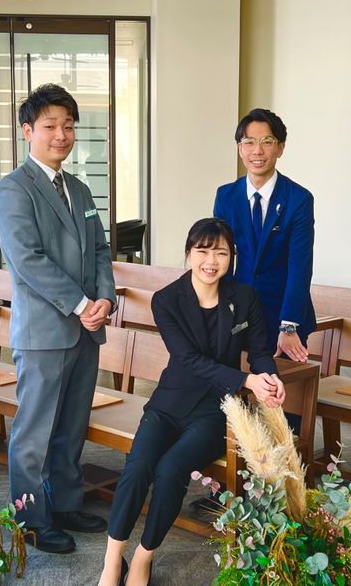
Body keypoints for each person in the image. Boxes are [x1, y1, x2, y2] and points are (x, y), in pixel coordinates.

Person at [97, 218, 286, 586]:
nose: (211, 261)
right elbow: (187, 359)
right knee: (138, 467)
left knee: (171, 470)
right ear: (188, 253)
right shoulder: (166, 299)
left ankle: (143, 556)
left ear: (232, 257)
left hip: (216, 410)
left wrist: (268, 376)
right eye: (203, 251)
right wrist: (246, 379)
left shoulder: (244, 298)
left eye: (221, 253)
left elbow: (260, 352)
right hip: (170, 402)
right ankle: (112, 559)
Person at [0, 83, 116, 554]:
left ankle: (64, 504)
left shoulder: (79, 189)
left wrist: (105, 299)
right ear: (28, 131)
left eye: (68, 126)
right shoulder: (13, 189)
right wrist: (82, 305)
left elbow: (100, 250)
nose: (61, 135)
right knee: (35, 431)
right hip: (45, 333)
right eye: (50, 126)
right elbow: (28, 259)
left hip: (87, 329)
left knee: (72, 425)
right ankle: (30, 519)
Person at [213, 108, 316, 363]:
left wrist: (289, 325)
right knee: (233, 383)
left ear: (280, 148)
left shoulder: (299, 199)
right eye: (249, 142)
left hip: (283, 315)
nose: (257, 151)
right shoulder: (226, 196)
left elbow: (300, 265)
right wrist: (220, 311)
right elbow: (221, 258)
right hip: (238, 314)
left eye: (267, 142)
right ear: (240, 149)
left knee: (281, 386)